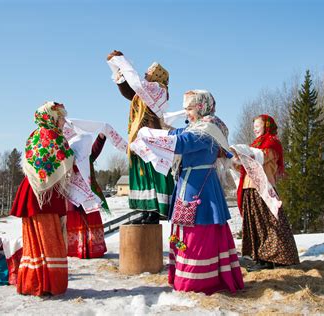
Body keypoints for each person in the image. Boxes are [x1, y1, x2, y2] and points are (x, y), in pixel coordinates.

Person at [131, 90, 244, 295]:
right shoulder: (197, 127)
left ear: (202, 107)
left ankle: (199, 282)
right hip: (188, 185)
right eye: (186, 109)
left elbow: (181, 143)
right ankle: (185, 276)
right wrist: (155, 127)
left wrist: (150, 135)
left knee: (198, 233)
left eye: (190, 109)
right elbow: (176, 134)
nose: (187, 114)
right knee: (186, 232)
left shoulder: (208, 129)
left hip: (200, 189)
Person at [10, 101, 73, 296]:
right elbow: (67, 161)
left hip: (31, 191)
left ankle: (32, 282)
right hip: (46, 197)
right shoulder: (55, 136)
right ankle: (49, 285)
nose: (64, 122)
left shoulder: (34, 135)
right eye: (61, 117)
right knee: (50, 239)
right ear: (52, 118)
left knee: (33, 240)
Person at [107, 50, 174, 224]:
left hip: (151, 138)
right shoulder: (144, 91)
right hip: (138, 138)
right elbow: (130, 91)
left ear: (158, 75)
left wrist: (122, 61)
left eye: (149, 73)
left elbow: (137, 84)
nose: (145, 74)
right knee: (141, 174)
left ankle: (155, 211)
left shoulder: (159, 89)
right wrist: (117, 71)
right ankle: (144, 209)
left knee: (152, 173)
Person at [234, 114, 299, 270]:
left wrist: (244, 153)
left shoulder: (272, 143)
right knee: (255, 225)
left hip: (263, 188)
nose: (255, 128)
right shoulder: (256, 144)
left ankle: (271, 259)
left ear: (267, 126)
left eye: (258, 125)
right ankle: (260, 257)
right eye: (254, 126)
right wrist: (235, 160)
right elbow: (245, 167)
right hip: (250, 188)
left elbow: (262, 158)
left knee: (269, 224)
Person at [66, 133, 108, 258]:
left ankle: (91, 249)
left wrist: (101, 137)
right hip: (73, 197)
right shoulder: (68, 158)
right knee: (77, 221)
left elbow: (96, 148)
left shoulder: (87, 159)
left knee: (89, 220)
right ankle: (76, 249)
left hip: (87, 198)